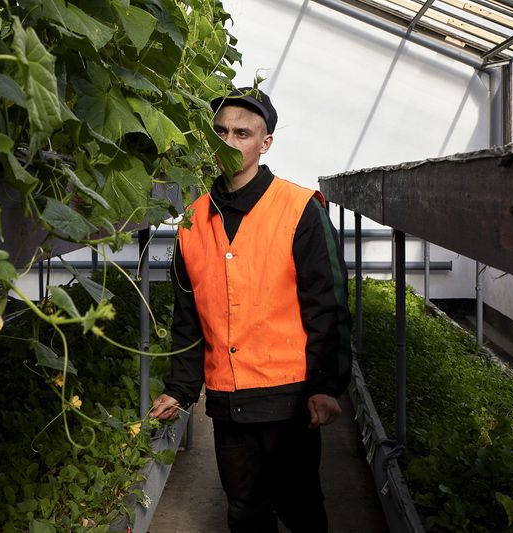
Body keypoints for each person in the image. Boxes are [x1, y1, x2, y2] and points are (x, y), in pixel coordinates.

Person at [150, 87, 352, 533]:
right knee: (244, 510)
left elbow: (328, 304)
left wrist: (325, 386)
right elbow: (187, 317)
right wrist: (180, 388)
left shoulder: (299, 209)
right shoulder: (193, 220)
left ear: (265, 143)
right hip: (228, 401)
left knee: (300, 509)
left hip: (289, 398)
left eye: (243, 132)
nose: (230, 141)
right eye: (220, 131)